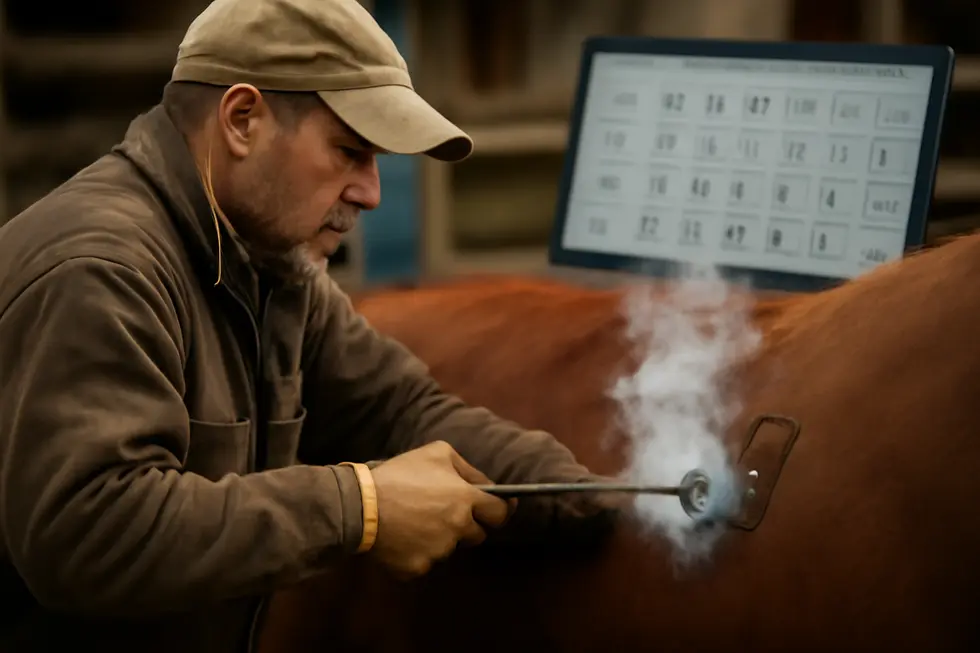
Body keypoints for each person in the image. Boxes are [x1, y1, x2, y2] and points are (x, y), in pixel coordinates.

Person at [0, 0, 624, 650]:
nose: (372, 191)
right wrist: (364, 506)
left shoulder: (271, 260)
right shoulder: (100, 267)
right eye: (350, 151)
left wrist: (589, 498)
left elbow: (397, 411)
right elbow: (91, 530)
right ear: (243, 120)